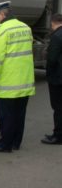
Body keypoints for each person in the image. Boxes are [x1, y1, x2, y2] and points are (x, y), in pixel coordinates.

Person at [0, 1, 36, 152]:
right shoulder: (25, 27)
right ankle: (16, 142)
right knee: (20, 114)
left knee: (6, 115)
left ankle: (4, 145)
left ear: (1, 14)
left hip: (8, 82)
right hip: (25, 80)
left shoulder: (1, 32)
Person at [40, 13, 62, 145]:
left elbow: (52, 59)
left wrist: (48, 73)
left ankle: (58, 136)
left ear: (52, 23)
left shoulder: (57, 36)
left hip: (58, 78)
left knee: (58, 107)